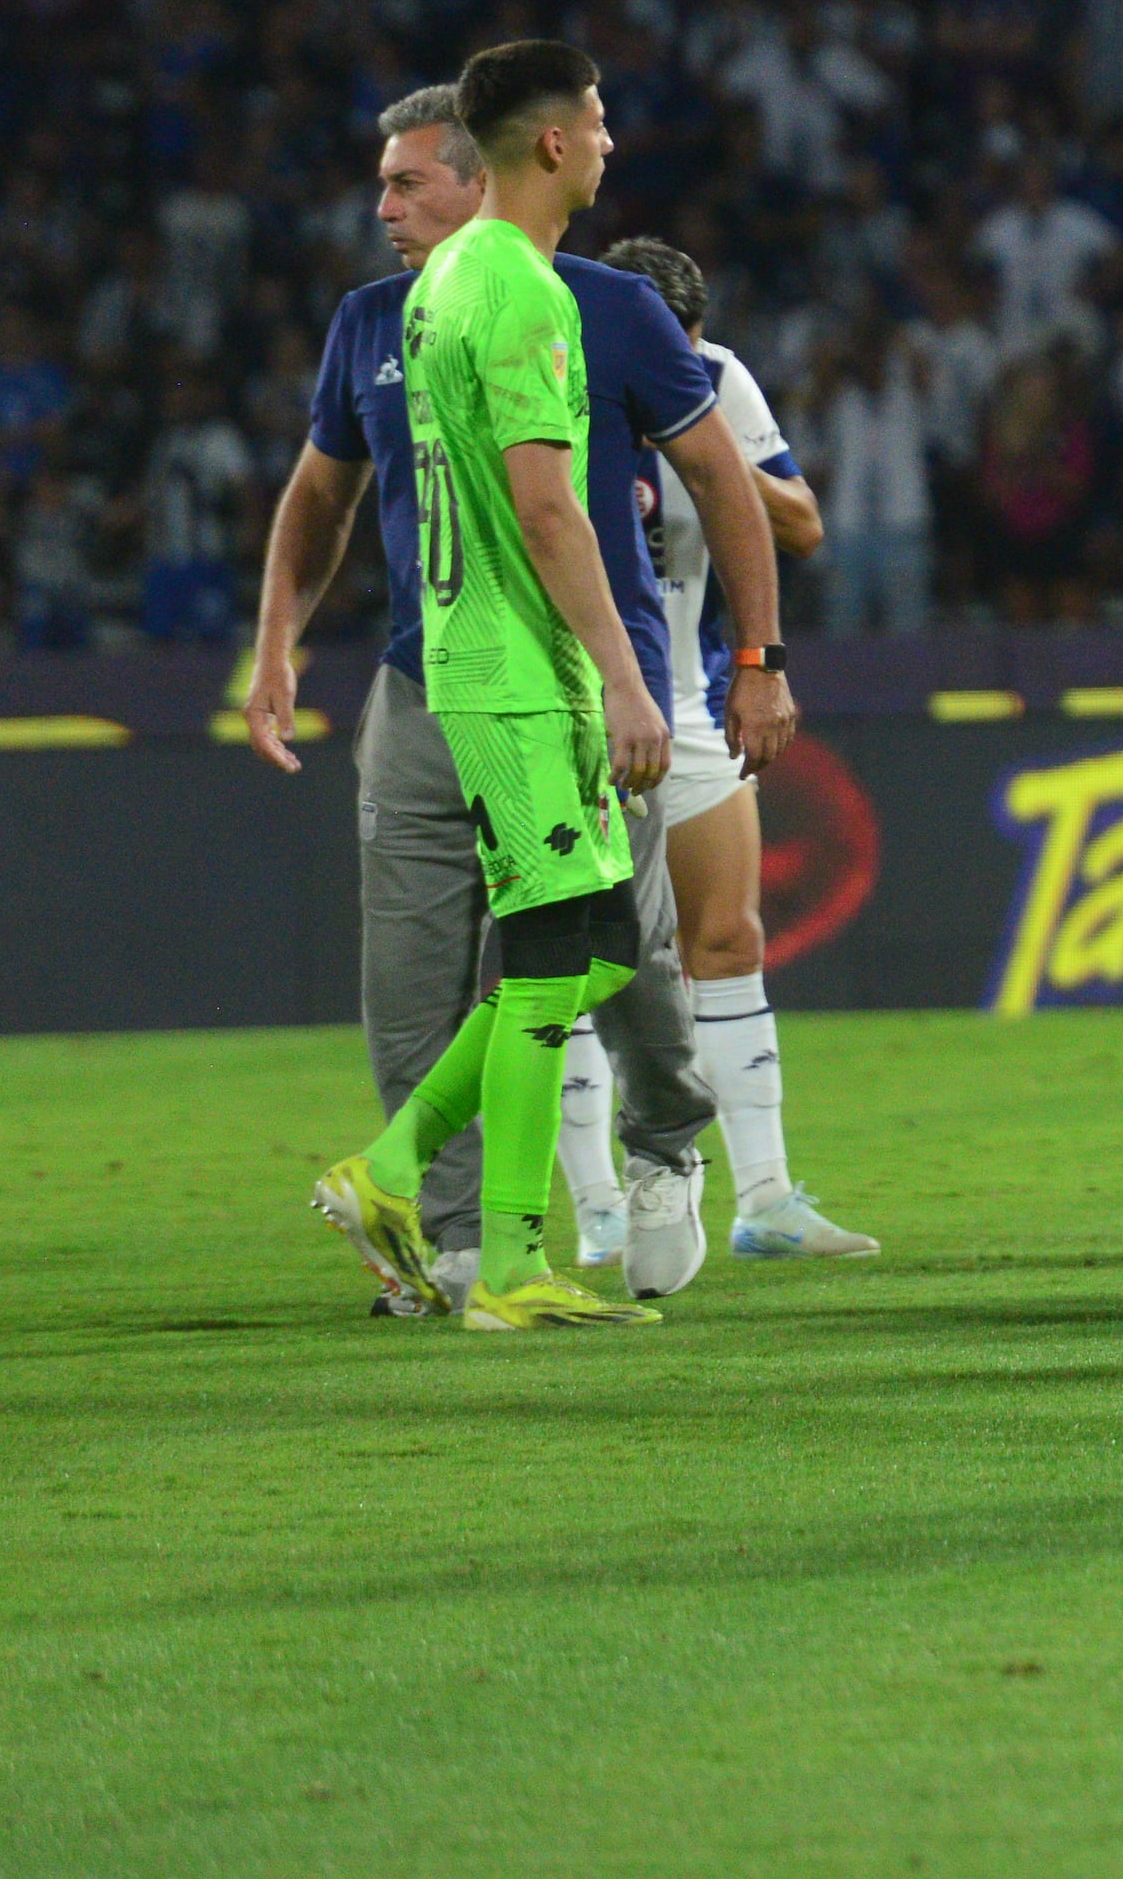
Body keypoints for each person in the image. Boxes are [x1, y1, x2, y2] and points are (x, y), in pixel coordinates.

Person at [252, 81, 772, 1309]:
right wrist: (274, 645)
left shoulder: (582, 305)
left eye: (402, 180)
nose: (380, 204)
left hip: (555, 678)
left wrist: (748, 656)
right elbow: (479, 503)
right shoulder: (418, 313)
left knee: (606, 951)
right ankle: (474, 1240)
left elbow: (723, 481)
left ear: (474, 174)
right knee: (477, 964)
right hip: (470, 685)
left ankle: (644, 1156)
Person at [304, 41, 682, 1331]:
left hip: (474, 654)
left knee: (590, 948)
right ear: (556, 144)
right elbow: (543, 503)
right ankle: (507, 1258)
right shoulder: (522, 290)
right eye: (600, 117)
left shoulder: (441, 284)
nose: (613, 140)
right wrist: (626, 684)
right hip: (518, 670)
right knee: (549, 955)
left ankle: (397, 1168)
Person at [598, 238, 867, 1262]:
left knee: (727, 937)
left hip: (689, 701)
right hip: (572, 701)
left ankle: (765, 1198)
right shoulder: (553, 371)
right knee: (580, 958)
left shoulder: (712, 380)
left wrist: (698, 447)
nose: (690, 361)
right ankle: (599, 1213)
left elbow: (800, 521)